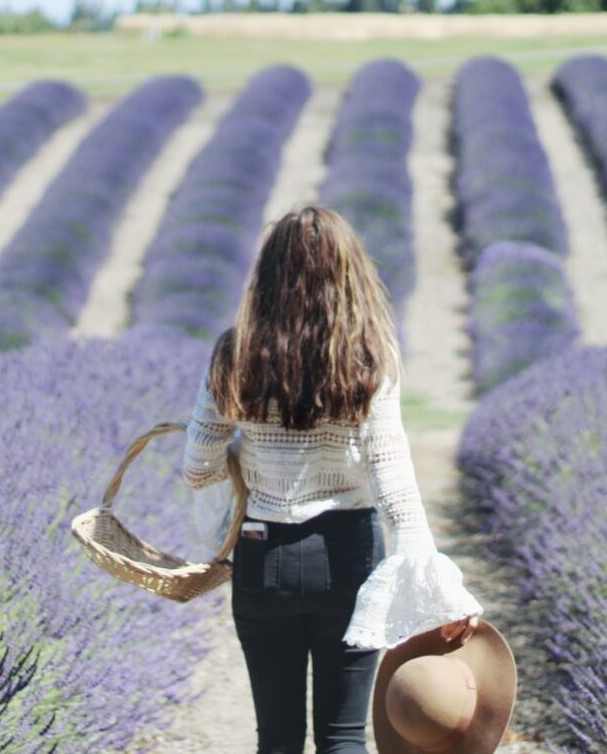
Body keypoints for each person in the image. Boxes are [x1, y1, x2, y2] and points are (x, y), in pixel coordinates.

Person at [182, 206, 483, 754]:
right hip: (348, 556)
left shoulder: (236, 353)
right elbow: (392, 475)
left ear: (268, 276)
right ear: (349, 274)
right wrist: (439, 585)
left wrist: (246, 450)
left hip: (263, 555)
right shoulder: (371, 356)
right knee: (344, 736)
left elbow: (198, 465)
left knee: (276, 738)